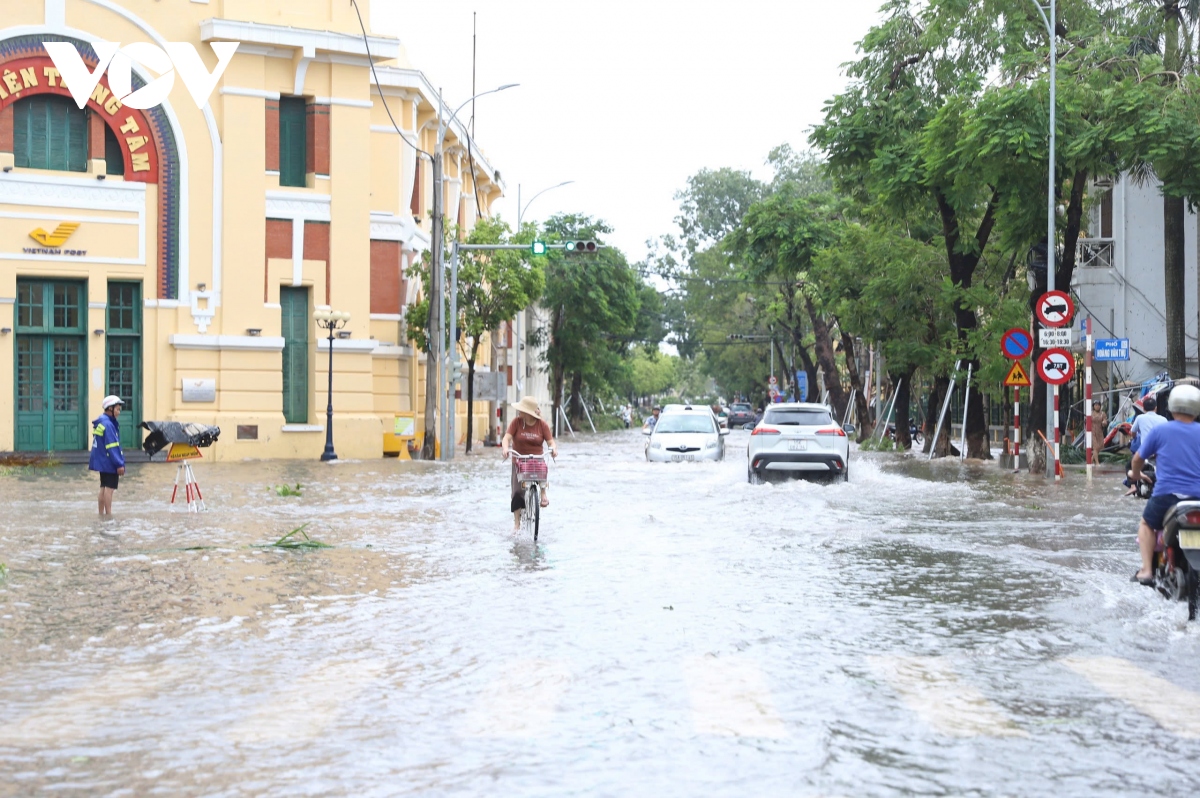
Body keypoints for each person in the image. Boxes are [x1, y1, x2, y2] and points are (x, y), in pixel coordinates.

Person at [1129, 385, 1200, 584]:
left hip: (1167, 496)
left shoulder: (1161, 430)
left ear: (1171, 406)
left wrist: (1135, 475)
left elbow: (1137, 459)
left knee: (1146, 524)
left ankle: (1146, 570)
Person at [501, 396, 558, 531]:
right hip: (519, 460)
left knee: (543, 467)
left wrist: (553, 449)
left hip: (536, 460)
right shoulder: (516, 423)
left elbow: (551, 442)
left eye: (522, 409)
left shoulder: (542, 425)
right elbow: (506, 438)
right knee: (516, 493)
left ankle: (543, 493)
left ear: (528, 412)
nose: (519, 412)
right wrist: (505, 448)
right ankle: (517, 524)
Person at [89, 395, 127, 517]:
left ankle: (101, 514)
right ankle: (109, 515)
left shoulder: (102, 421)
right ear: (109, 409)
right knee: (109, 489)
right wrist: (119, 463)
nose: (119, 412)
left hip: (102, 461)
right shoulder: (109, 425)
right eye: (117, 409)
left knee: (103, 488)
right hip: (109, 462)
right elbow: (112, 446)